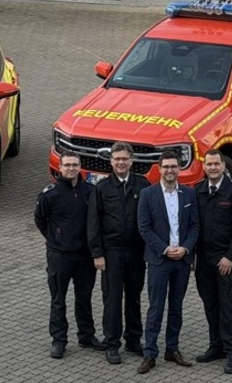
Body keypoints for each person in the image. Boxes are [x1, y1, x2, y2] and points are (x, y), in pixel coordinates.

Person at [34, 151, 105, 359]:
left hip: (84, 256)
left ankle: (86, 336)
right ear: (60, 167)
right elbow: (40, 219)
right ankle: (59, 340)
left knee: (84, 298)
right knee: (58, 299)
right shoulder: (50, 193)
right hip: (59, 256)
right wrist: (55, 238)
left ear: (80, 166)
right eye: (67, 165)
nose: (71, 169)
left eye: (75, 165)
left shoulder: (91, 191)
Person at [135, 151, 199, 374]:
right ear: (159, 169)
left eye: (174, 166)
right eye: (166, 167)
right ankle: (150, 353)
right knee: (156, 307)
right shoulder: (147, 194)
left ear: (179, 169)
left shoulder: (189, 195)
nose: (170, 170)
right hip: (158, 260)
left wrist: (185, 248)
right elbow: (144, 228)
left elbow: (194, 227)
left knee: (176, 307)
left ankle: (172, 349)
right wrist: (164, 249)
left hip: (182, 260)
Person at [88, 142, 150, 364]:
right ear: (111, 161)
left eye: (125, 159)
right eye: (117, 159)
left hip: (136, 252)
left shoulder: (142, 186)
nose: (121, 162)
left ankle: (133, 340)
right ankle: (112, 343)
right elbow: (93, 223)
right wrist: (97, 253)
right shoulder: (102, 188)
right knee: (112, 299)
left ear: (131, 161)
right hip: (112, 253)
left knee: (134, 297)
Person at [194, 149, 232, 374]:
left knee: (227, 306)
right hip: (203, 259)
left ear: (223, 166)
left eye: (217, 164)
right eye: (209, 164)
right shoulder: (198, 191)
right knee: (210, 304)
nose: (213, 168)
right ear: (204, 166)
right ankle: (215, 346)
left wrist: (230, 257)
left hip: (225, 258)